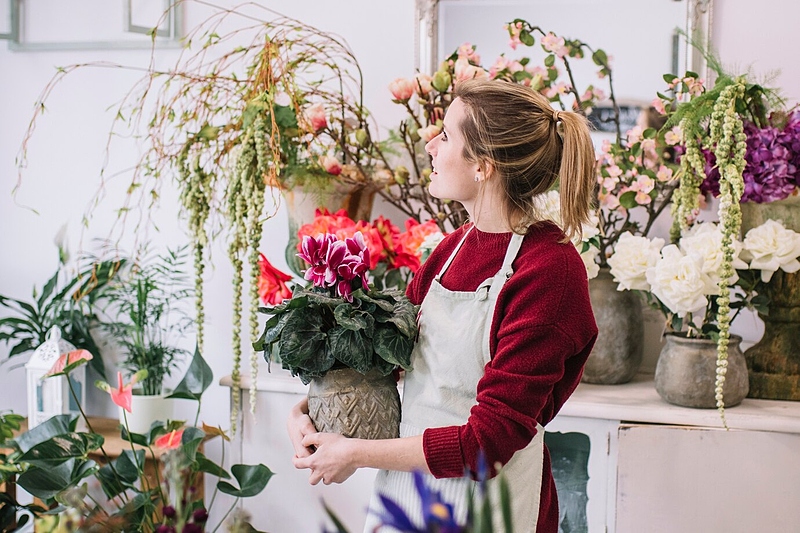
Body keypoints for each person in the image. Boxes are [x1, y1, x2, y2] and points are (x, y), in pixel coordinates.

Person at [287, 78, 599, 533]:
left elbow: (486, 444)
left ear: (484, 166)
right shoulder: (451, 248)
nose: (431, 145)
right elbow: (394, 369)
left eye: (447, 135)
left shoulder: (549, 271)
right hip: (410, 494)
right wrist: (313, 411)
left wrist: (353, 452)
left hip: (490, 506)